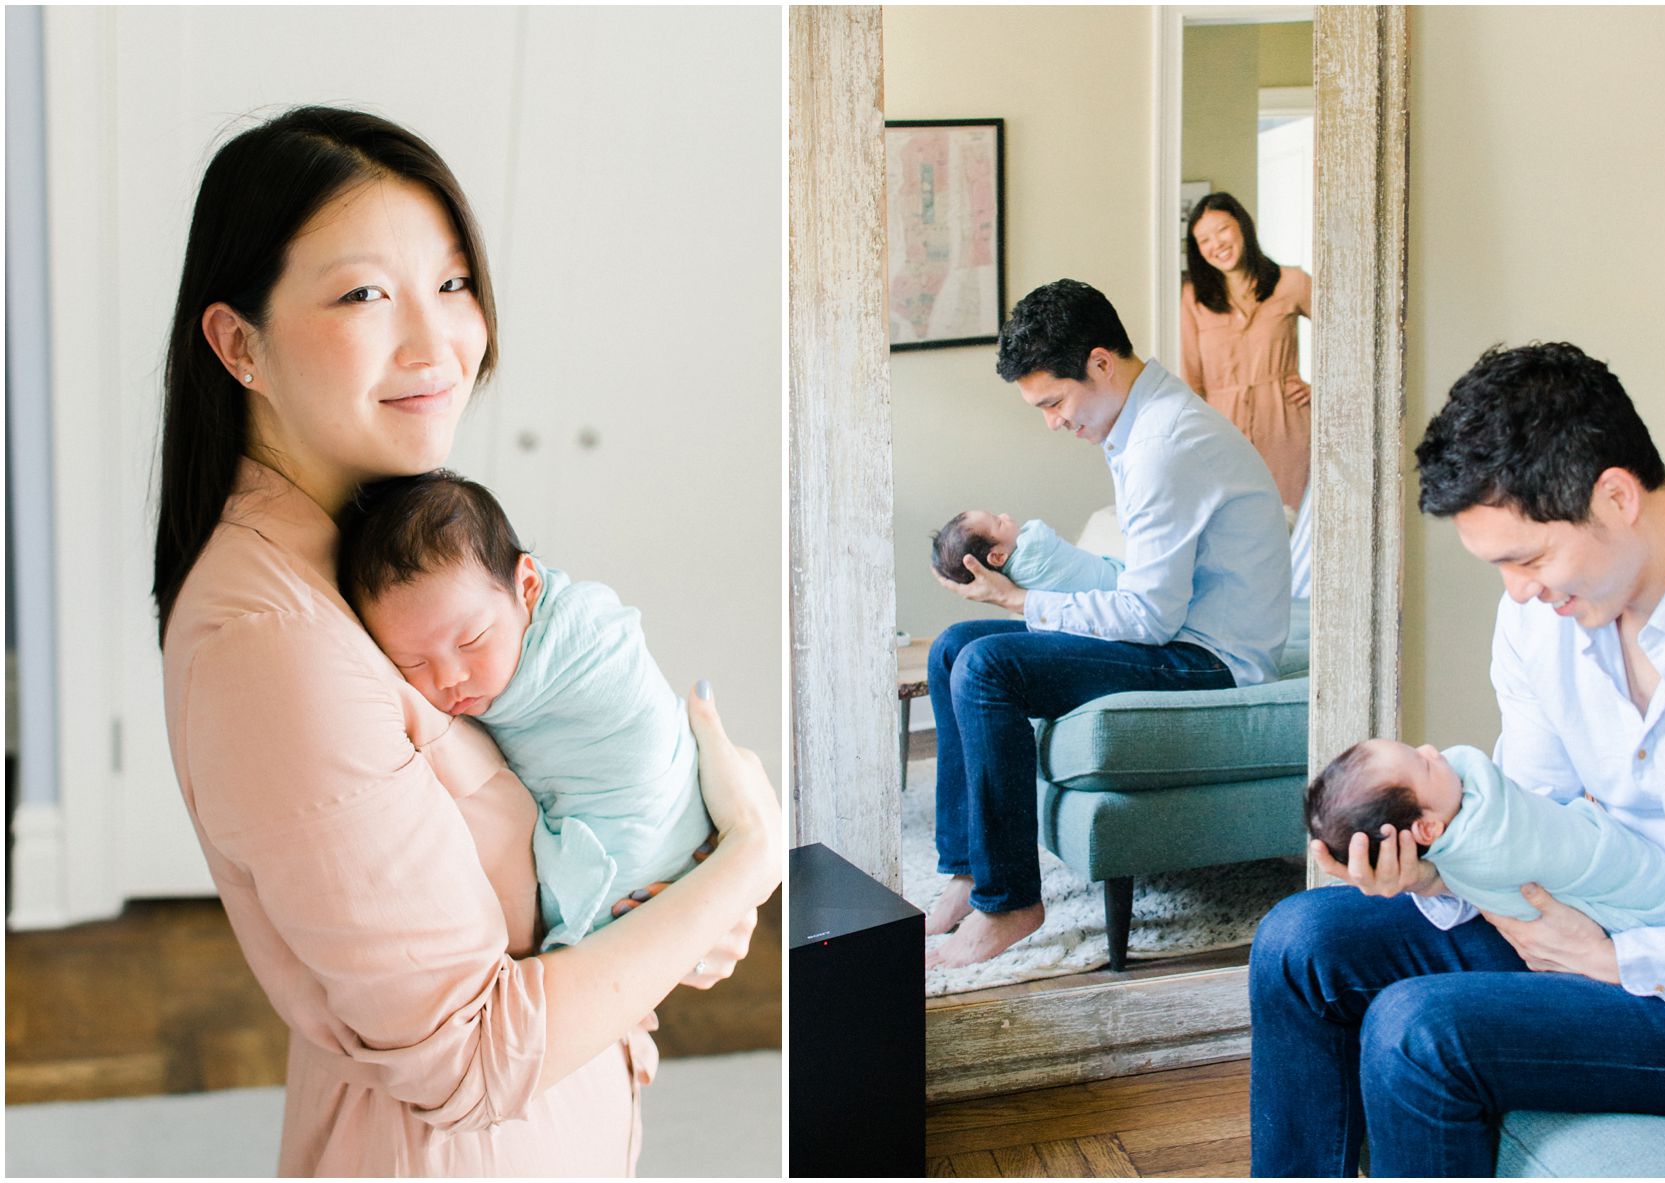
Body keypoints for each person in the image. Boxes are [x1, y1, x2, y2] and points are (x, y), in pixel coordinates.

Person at [152, 107, 780, 1175]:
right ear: (237, 342)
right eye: (363, 293)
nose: (437, 341)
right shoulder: (274, 639)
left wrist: (667, 900)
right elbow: (465, 1057)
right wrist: (744, 863)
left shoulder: (368, 558)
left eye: (451, 283)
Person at [1250, 342, 1665, 1176]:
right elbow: (1526, 810)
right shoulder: (1541, 620)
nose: (1519, 592)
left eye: (1527, 559)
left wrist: (1612, 958)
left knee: (1417, 1032)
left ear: (1617, 495)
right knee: (1298, 941)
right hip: (1579, 914)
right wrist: (1436, 875)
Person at [926, 278, 1290, 968]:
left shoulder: (1163, 442)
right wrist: (1018, 594)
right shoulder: (1138, 427)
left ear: (1099, 362)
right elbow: (1135, 588)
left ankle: (1008, 903)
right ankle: (969, 872)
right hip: (1179, 631)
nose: (1053, 422)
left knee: (989, 665)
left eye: (1054, 402)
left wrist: (1019, 603)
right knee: (952, 649)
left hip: (1210, 658)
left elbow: (1149, 617)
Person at [337, 470, 715, 950]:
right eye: (412, 662)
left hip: (661, 826)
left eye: (471, 639)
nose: (449, 677)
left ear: (528, 585)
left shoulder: (584, 646)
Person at [1306, 739, 1665, 931]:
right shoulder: (1489, 846)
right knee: (1301, 928)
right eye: (1423, 764)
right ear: (1427, 828)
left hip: (1659, 897)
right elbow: (1474, 762)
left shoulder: (1462, 838)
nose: (1432, 750)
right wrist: (1427, 881)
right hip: (1654, 904)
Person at [1180, 192, 1313, 509]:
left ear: (1242, 225)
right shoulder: (1193, 299)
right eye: (1204, 240)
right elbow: (1190, 382)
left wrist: (1324, 387)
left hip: (1286, 426)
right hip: (1222, 430)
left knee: (1290, 523)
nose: (1217, 244)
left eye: (1223, 229)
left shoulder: (1291, 282)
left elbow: (1352, 332)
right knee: (1234, 526)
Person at [930, 510, 1123, 591]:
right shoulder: (1034, 549)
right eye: (999, 522)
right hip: (1118, 582)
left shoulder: (1008, 580)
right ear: (997, 557)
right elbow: (1039, 529)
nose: (1005, 515)